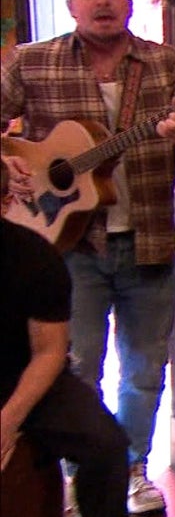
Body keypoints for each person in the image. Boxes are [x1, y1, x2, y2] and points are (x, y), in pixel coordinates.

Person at [1, 0, 175, 515]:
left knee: (144, 370)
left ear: (128, 3)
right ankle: (80, 475)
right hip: (66, 247)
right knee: (76, 366)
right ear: (70, 5)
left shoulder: (168, 63)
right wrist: (6, 160)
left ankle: (130, 469)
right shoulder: (33, 62)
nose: (102, 1)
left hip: (147, 241)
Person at [1, 161, 131, 517]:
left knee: (107, 445)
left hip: (28, 374)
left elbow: (49, 351)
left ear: (6, 202)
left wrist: (7, 423)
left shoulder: (35, 257)